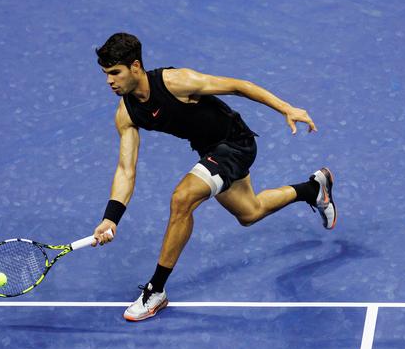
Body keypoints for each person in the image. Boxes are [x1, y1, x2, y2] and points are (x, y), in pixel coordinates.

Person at [90, 33, 337, 321]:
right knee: (250, 212)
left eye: (115, 73)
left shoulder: (175, 82)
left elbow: (238, 87)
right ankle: (313, 189)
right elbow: (125, 170)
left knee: (182, 198)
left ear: (135, 67)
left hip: (236, 144)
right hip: (210, 151)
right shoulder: (127, 113)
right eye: (106, 74)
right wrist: (111, 218)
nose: (110, 81)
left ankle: (155, 290)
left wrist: (287, 108)